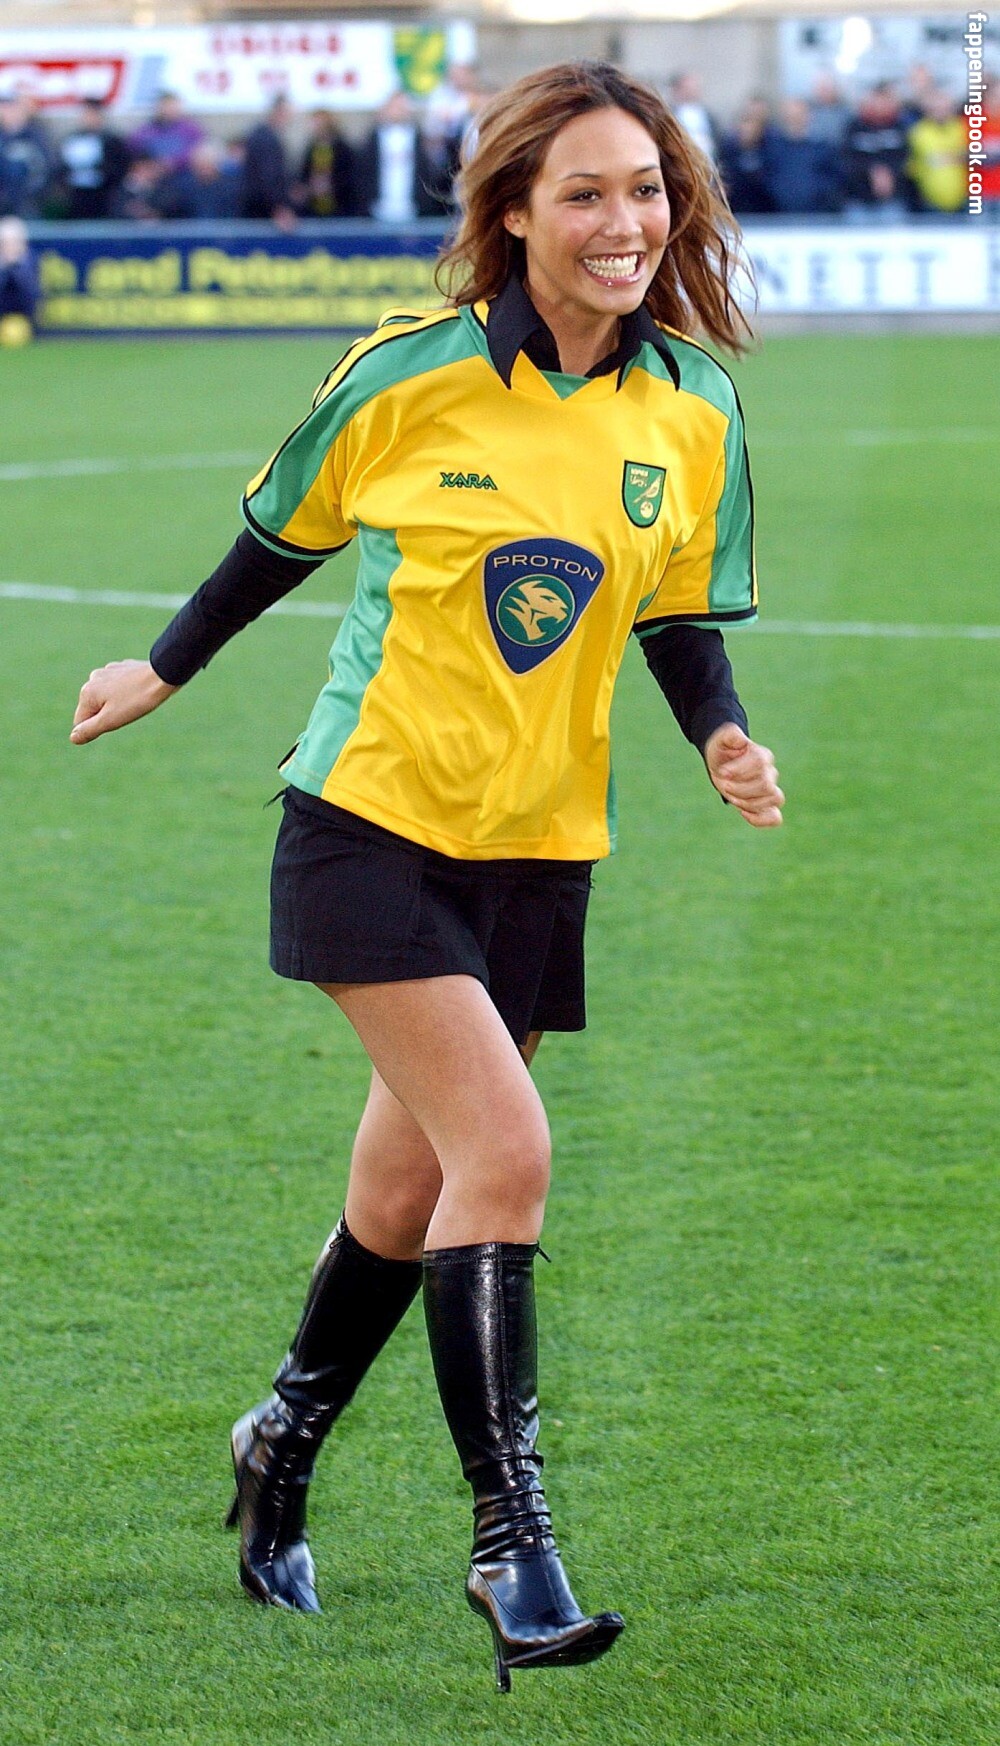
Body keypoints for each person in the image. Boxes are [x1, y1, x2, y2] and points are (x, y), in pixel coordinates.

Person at [69, 59, 784, 1692]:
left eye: (647, 189)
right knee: (508, 1154)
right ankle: (511, 1544)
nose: (625, 221)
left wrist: (723, 737)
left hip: (542, 850)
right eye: (586, 191)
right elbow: (278, 539)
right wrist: (161, 668)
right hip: (368, 823)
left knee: (407, 1198)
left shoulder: (693, 406)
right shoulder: (409, 375)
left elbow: (679, 612)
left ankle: (280, 1438)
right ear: (515, 211)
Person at [353, 90, 446, 221]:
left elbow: (431, 172)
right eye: (394, 106)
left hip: (414, 211)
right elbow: (362, 175)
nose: (397, 111)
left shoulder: (421, 140)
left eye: (401, 106)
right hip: (377, 211)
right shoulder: (371, 141)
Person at [762, 98, 842, 214]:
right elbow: (767, 177)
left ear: (808, 117)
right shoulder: (772, 148)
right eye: (790, 117)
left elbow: (834, 178)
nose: (794, 120)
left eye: (798, 116)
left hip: (816, 216)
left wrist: (818, 193)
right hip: (778, 216)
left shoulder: (823, 148)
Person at [58, 98, 131, 220]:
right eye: (86, 114)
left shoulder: (112, 140)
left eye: (92, 114)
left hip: (104, 196)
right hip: (76, 195)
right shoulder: (72, 139)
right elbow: (62, 167)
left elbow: (119, 167)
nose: (88, 118)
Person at [239, 94, 297, 229]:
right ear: (279, 112)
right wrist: (279, 208)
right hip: (262, 211)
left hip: (259, 206)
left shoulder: (262, 135)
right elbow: (268, 176)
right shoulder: (266, 139)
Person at [906, 89, 967, 215]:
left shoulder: (962, 128)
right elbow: (917, 162)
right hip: (929, 200)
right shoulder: (918, 132)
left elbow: (972, 155)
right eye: (936, 109)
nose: (940, 112)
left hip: (963, 200)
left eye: (944, 108)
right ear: (927, 110)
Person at [292, 109, 356, 218]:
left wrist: (331, 185)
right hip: (313, 209)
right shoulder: (311, 148)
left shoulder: (343, 149)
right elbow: (304, 175)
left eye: (318, 122)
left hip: (339, 209)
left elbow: (351, 178)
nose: (314, 126)